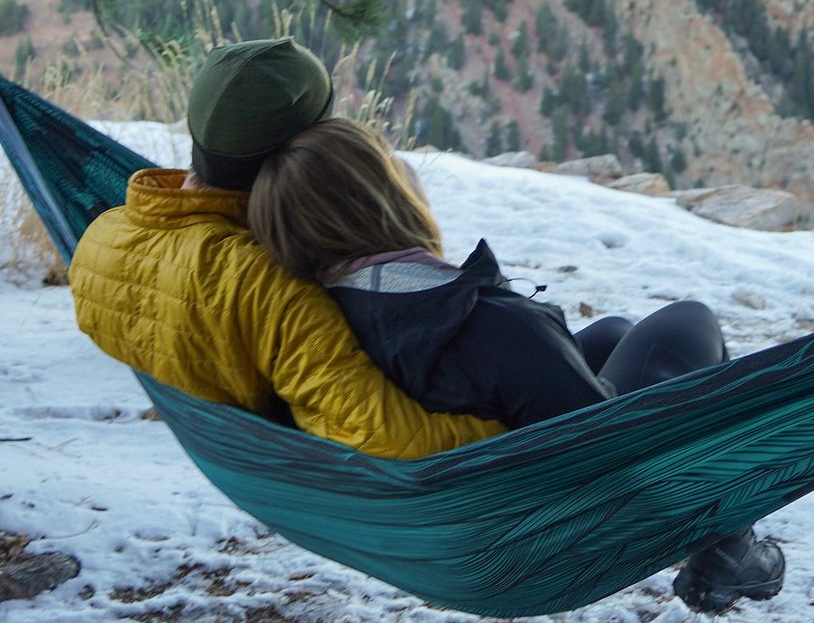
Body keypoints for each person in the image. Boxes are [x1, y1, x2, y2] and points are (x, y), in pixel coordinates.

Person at [246, 115, 786, 614]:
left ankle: (726, 547)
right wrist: (519, 315)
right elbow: (614, 453)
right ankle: (730, 552)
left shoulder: (314, 325)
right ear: (384, 199)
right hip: (538, 534)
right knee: (685, 325)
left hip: (448, 508)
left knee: (616, 333)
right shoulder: (494, 325)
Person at [69, 37, 505, 458]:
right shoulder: (271, 289)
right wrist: (524, 433)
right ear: (304, 147)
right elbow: (394, 439)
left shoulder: (102, 237)